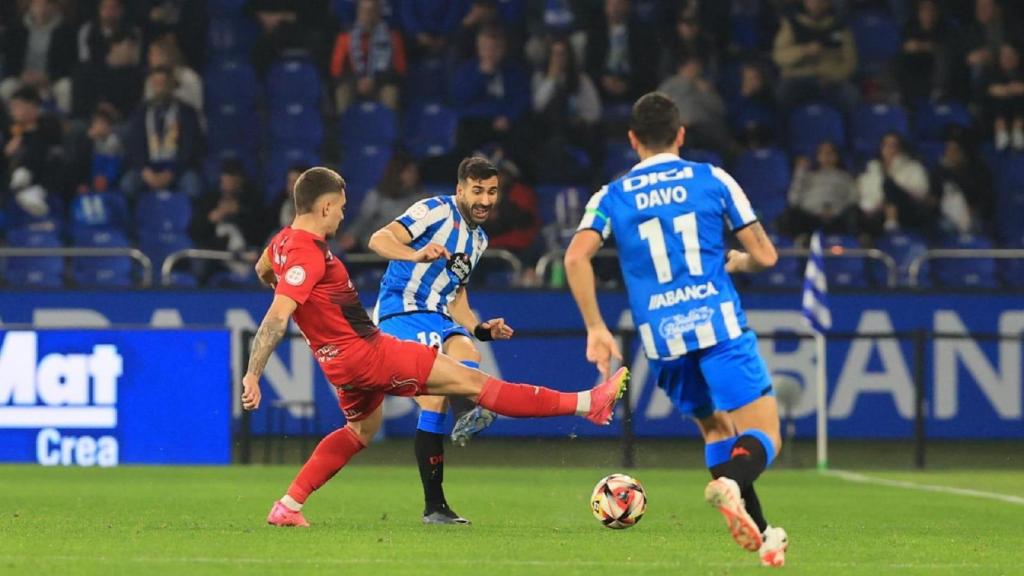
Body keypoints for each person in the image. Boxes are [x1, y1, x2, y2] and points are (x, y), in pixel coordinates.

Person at [245, 167, 629, 528]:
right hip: (369, 352)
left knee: (362, 429)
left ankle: (288, 506)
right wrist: (253, 374)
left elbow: (264, 269)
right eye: (341, 209)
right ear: (325, 206)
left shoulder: (282, 242)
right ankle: (587, 404)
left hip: (338, 363)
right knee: (476, 384)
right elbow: (278, 317)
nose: (342, 217)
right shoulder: (309, 252)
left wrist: (305, 305)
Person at [563, 93, 788, 567]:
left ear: (632, 140)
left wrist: (596, 328)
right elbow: (766, 256)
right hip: (717, 325)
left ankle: (763, 533)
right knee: (765, 433)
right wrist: (739, 260)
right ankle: (732, 482)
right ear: (681, 134)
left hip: (662, 337)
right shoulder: (713, 179)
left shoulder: (612, 194)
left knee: (714, 426)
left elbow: (575, 257)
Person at [366, 156, 504, 524]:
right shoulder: (435, 210)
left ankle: (436, 507)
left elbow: (458, 297)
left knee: (467, 350)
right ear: (460, 189)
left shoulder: (479, 240)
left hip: (439, 315)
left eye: (491, 192)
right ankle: (468, 411)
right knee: (437, 396)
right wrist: (414, 254)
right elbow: (379, 238)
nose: (485, 200)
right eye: (477, 191)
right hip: (401, 311)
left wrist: (482, 328)